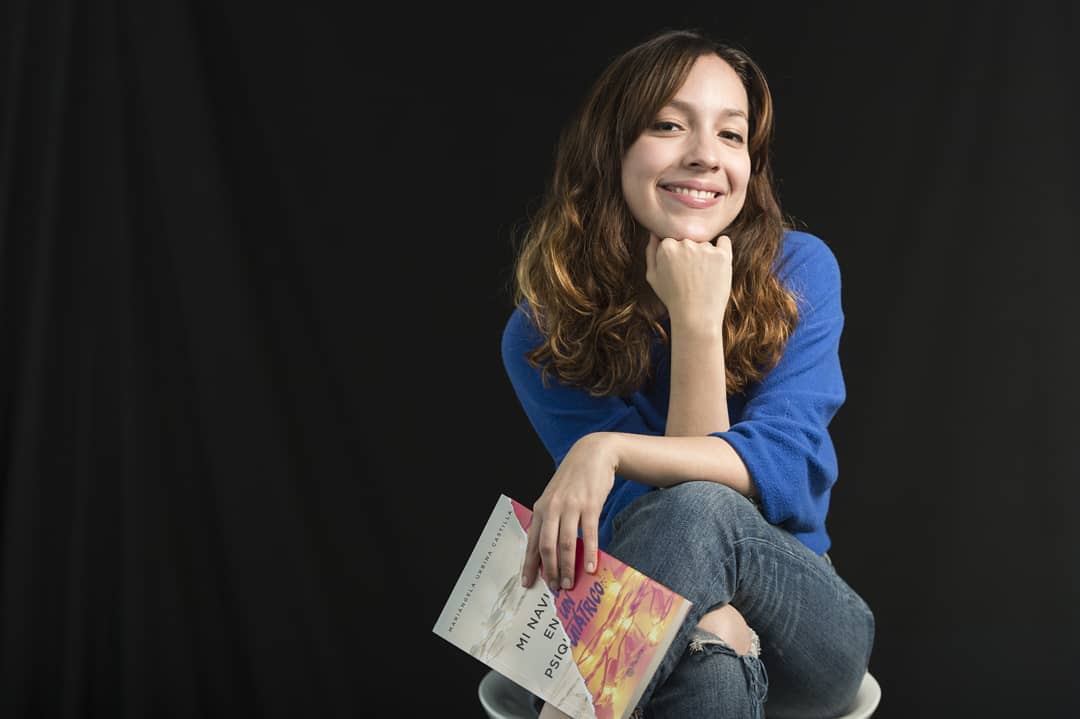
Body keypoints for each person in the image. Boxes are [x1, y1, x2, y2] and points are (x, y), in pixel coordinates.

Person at [499, 27, 876, 719]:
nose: (706, 155)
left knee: (700, 510)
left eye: (731, 135)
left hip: (803, 628)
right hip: (639, 611)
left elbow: (763, 479)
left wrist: (692, 329)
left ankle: (568, 709)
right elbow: (646, 533)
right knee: (708, 651)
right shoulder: (542, 331)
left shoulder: (800, 272)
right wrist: (709, 619)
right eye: (670, 125)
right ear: (610, 148)